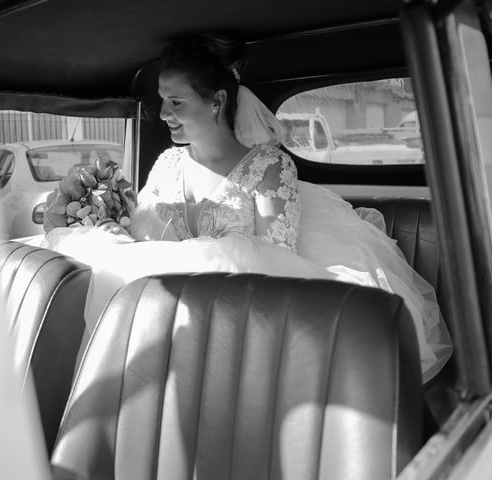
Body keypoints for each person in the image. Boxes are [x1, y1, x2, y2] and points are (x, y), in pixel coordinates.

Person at [41, 33, 452, 383]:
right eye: (162, 100)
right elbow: (141, 233)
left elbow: (278, 258)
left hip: (248, 310)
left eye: (177, 102)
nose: (164, 113)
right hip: (169, 310)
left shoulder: (270, 167)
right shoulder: (167, 163)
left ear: (217, 100)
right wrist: (106, 217)